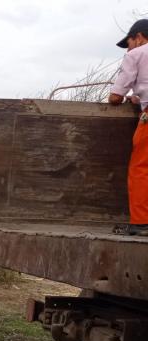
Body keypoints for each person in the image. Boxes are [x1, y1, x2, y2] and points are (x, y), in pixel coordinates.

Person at [109, 19, 148, 236]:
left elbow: (115, 97)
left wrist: (119, 96)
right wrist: (140, 97)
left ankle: (142, 223)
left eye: (130, 42)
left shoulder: (136, 54)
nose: (130, 47)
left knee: (141, 168)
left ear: (139, 37)